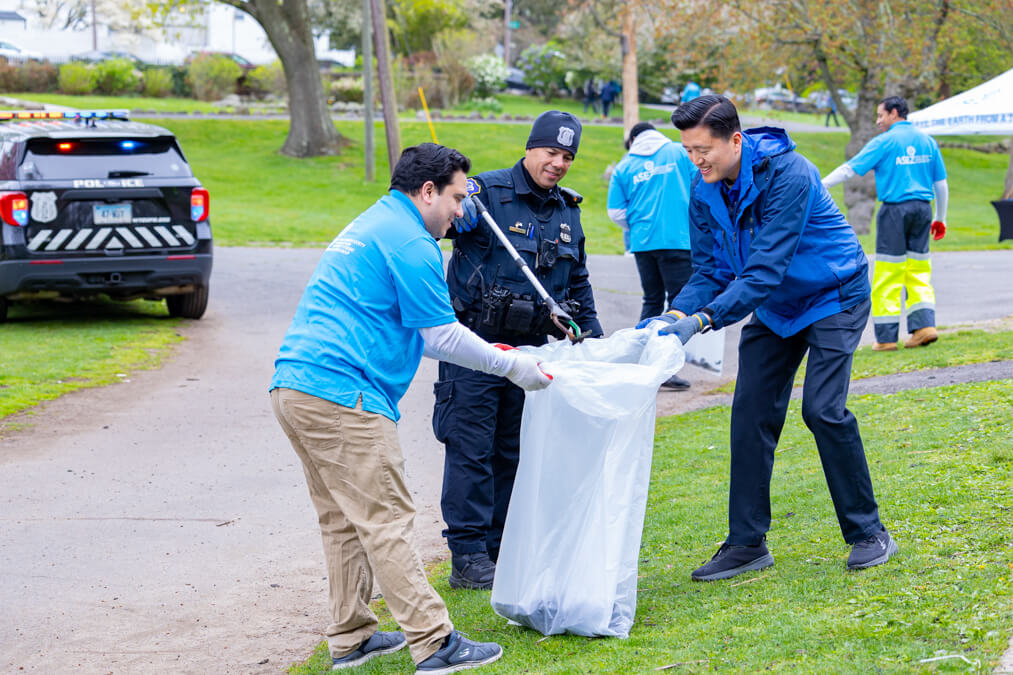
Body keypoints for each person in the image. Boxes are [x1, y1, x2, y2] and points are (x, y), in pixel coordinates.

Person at [270, 143, 554, 672]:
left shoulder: (374, 223)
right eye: (456, 197)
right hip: (342, 395)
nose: (461, 210)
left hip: (294, 388)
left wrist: (495, 354)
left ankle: (351, 636)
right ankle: (433, 641)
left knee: (343, 518)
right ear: (427, 192)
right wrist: (514, 368)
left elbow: (416, 329)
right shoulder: (411, 241)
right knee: (388, 517)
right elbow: (442, 335)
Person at [640, 95, 897, 581]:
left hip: (832, 294)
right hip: (777, 306)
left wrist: (702, 322)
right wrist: (673, 312)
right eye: (688, 151)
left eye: (703, 149)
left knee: (822, 409)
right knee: (750, 411)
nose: (696, 160)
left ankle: (869, 532)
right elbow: (710, 269)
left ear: (735, 140)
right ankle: (746, 543)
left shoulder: (791, 173)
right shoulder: (704, 189)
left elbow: (763, 269)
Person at [436, 110, 603, 590]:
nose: (559, 163)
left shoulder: (568, 211)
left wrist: (591, 337)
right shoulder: (482, 195)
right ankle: (467, 555)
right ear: (531, 148)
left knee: (513, 449)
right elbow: (443, 225)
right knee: (471, 448)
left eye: (568, 156)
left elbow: (580, 280)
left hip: (529, 355)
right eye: (551, 152)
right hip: (473, 344)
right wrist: (457, 206)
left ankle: (498, 547)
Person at [822, 95, 948, 351]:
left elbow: (850, 169)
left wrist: (819, 184)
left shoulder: (885, 142)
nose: (878, 121)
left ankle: (887, 338)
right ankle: (924, 327)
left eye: (880, 115)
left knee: (888, 273)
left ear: (894, 113)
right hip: (924, 210)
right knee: (918, 270)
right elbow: (941, 185)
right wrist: (940, 218)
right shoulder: (927, 141)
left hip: (894, 211)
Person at [607, 121, 697, 390]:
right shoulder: (680, 153)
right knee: (680, 305)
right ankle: (664, 368)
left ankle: (643, 360)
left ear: (633, 139)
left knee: (653, 300)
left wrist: (639, 225)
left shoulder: (624, 166)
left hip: (643, 243)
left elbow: (616, 213)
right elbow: (702, 182)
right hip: (678, 239)